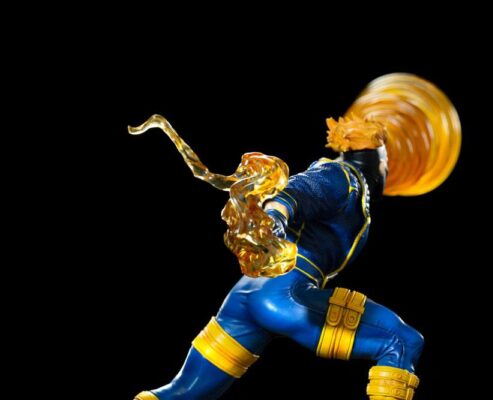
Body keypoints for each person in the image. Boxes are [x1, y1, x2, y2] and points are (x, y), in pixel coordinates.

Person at [134, 115, 425, 400]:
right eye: (385, 160)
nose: (387, 169)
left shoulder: (351, 189)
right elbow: (297, 192)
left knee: (182, 394)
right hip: (284, 295)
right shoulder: (343, 177)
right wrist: (276, 216)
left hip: (246, 296)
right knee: (402, 341)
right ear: (372, 157)